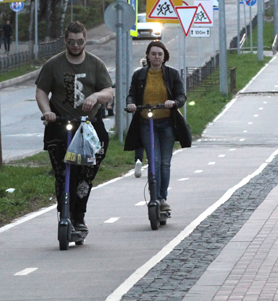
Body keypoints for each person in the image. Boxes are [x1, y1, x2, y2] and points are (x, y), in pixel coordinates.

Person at [35, 21, 114, 231]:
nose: (76, 46)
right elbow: (41, 92)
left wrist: (96, 96)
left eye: (80, 41)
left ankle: (79, 217)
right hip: (60, 125)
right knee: (63, 174)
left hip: (89, 126)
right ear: (65, 41)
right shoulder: (53, 65)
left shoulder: (95, 64)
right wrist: (47, 112)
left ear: (86, 40)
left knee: (84, 176)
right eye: (71, 42)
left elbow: (109, 91)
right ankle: (65, 215)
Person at [125, 41, 187, 213]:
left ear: (164, 56)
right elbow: (131, 95)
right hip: (147, 123)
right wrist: (131, 105)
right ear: (148, 55)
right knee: (154, 161)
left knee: (165, 162)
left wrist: (173, 102)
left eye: (160, 54)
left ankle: (162, 197)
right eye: (153, 54)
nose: (156, 57)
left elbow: (181, 96)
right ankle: (154, 198)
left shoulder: (171, 74)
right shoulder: (139, 75)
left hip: (167, 123)